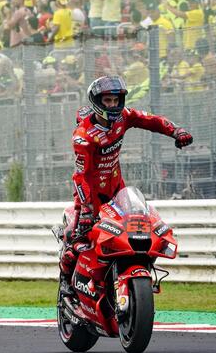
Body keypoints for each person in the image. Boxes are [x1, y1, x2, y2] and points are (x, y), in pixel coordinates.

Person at [59, 75, 193, 296]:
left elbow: (151, 120)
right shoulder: (83, 136)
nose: (113, 105)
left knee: (131, 234)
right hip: (89, 198)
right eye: (107, 101)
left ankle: (127, 279)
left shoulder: (124, 117)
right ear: (97, 102)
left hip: (116, 190)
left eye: (116, 100)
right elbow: (80, 177)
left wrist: (175, 131)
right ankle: (66, 284)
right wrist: (86, 210)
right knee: (75, 241)